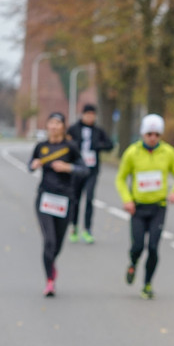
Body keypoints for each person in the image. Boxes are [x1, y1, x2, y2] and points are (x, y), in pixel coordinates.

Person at [115, 113, 174, 299]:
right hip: (137, 208)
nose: (153, 138)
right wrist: (127, 199)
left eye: (157, 134)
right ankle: (133, 263)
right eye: (149, 134)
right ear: (143, 134)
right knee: (138, 246)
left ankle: (147, 284)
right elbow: (121, 178)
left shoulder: (168, 153)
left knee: (153, 247)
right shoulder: (132, 153)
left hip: (158, 207)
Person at [28, 112, 88, 297]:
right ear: (46, 126)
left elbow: (84, 169)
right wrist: (34, 164)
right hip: (45, 198)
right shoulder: (41, 146)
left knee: (58, 245)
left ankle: (51, 264)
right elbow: (30, 165)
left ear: (63, 126)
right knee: (49, 241)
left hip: (64, 199)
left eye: (57, 123)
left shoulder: (70, 147)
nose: (54, 126)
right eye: (51, 123)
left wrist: (68, 167)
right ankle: (49, 281)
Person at [66, 103, 115, 244]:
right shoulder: (74, 129)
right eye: (87, 115)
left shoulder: (98, 131)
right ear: (83, 115)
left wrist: (98, 146)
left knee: (89, 199)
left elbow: (110, 144)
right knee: (75, 199)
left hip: (92, 170)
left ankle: (87, 229)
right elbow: (66, 144)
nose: (90, 117)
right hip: (76, 170)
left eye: (92, 115)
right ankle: (73, 227)